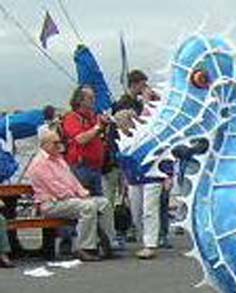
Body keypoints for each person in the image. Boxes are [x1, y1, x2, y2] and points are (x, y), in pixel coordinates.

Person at [26, 129, 116, 261]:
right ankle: (85, 247)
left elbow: (73, 181)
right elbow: (57, 189)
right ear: (44, 145)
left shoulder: (59, 159)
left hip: (67, 200)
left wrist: (83, 193)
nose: (59, 145)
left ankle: (108, 244)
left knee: (104, 203)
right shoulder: (39, 164)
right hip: (51, 204)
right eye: (55, 143)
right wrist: (79, 197)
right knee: (87, 207)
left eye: (59, 142)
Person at [114, 69, 164, 259]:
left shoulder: (153, 106)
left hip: (151, 163)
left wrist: (153, 102)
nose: (145, 89)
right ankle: (144, 236)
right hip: (133, 162)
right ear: (135, 85)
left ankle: (150, 243)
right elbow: (128, 128)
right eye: (142, 85)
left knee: (150, 206)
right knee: (136, 208)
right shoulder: (123, 104)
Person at [62, 85, 110, 196]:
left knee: (99, 204)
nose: (93, 101)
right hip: (82, 168)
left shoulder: (93, 118)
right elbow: (80, 139)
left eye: (94, 97)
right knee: (84, 201)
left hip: (96, 168)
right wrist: (98, 127)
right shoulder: (71, 118)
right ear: (80, 101)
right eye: (90, 98)